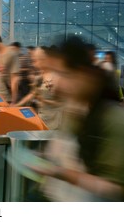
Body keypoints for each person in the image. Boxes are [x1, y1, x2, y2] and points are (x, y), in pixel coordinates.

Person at [29, 36, 124, 201]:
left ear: (84, 74)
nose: (57, 84)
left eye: (63, 74)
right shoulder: (73, 108)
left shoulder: (112, 118)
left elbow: (116, 189)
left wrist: (60, 172)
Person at [15, 46, 63, 130]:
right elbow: (32, 94)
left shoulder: (56, 77)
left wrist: (43, 100)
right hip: (42, 116)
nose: (34, 64)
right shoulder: (40, 77)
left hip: (54, 119)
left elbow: (61, 103)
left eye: (36, 60)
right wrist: (17, 105)